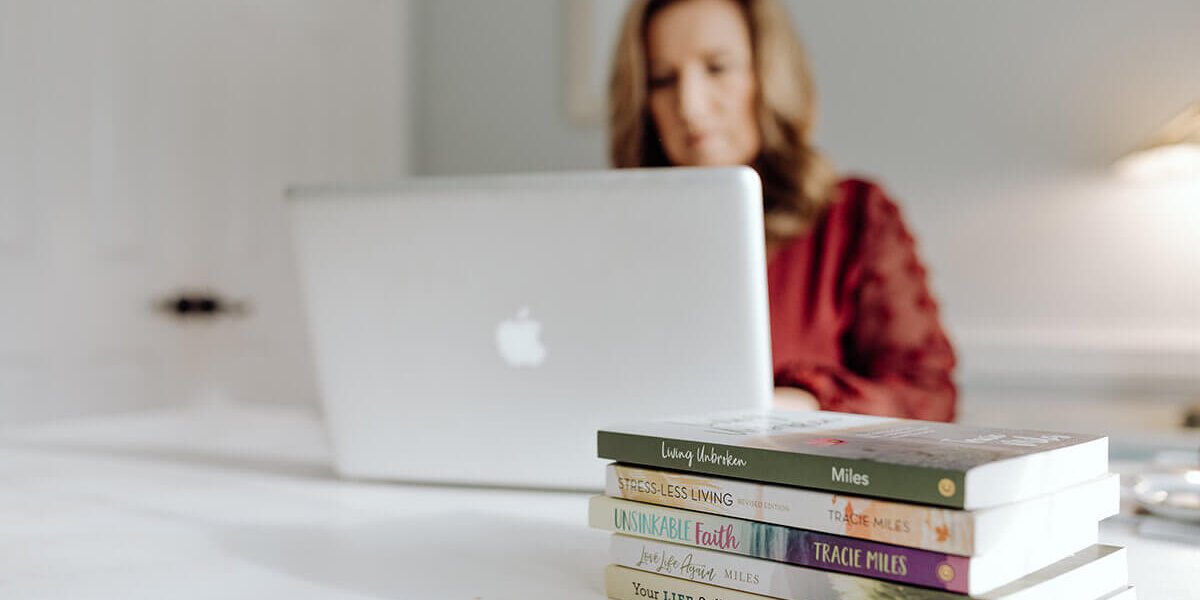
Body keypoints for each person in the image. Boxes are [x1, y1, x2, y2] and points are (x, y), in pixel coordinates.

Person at [608, 0, 957, 421]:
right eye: (662, 79)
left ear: (769, 75)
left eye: (718, 68)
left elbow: (929, 396)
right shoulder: (615, 231)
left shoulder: (855, 218)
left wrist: (804, 403)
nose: (690, 106)